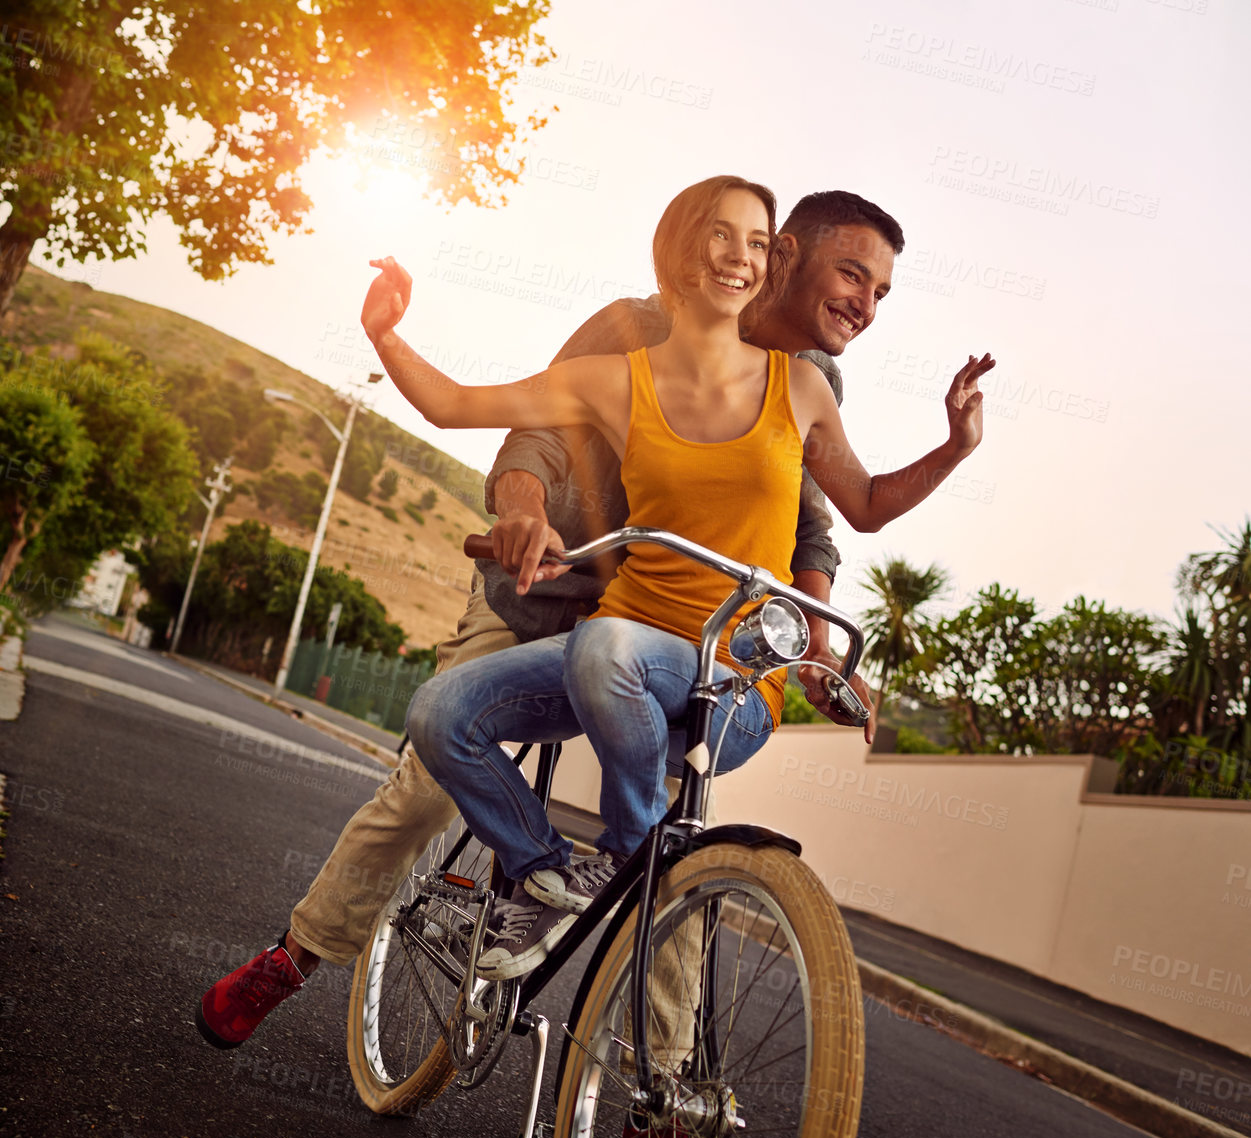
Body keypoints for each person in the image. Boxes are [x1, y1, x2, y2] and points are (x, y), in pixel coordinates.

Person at [195, 187, 911, 1050]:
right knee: (429, 773)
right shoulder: (631, 330)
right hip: (535, 587)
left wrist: (815, 648)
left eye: (879, 290)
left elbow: (811, 525)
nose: (862, 306)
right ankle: (297, 954)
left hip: (671, 631)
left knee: (669, 843)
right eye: (850, 276)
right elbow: (526, 439)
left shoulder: (807, 382)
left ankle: (664, 1091)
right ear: (787, 257)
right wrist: (522, 511)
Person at [377, 175, 989, 980]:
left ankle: (627, 858)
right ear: (682, 250)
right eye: (721, 238)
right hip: (616, 649)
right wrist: (385, 333)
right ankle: (547, 872)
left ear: (772, 261)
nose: (741, 259)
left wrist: (953, 448)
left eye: (756, 244)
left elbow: (861, 506)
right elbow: (459, 404)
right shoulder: (618, 375)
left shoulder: (801, 386)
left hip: (723, 681)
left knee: (604, 648)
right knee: (441, 709)